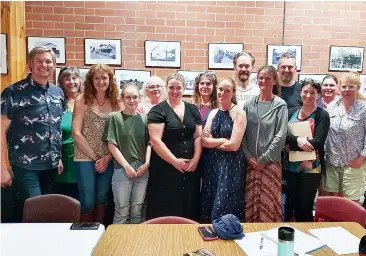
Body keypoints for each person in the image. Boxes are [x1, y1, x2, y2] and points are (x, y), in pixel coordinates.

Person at [1, 47, 65, 204]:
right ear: (30, 64)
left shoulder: (58, 93)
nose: (44, 64)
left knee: (46, 211)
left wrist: (58, 157)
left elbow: (55, 128)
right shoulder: (13, 92)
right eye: (39, 60)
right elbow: (1, 131)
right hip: (26, 166)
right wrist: (2, 169)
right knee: (36, 210)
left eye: (48, 61)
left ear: (54, 65)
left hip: (51, 165)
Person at [147, 73, 202, 221]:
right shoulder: (158, 110)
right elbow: (155, 140)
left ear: (184, 88)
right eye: (171, 87)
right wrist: (175, 162)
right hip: (165, 168)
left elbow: (197, 137)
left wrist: (196, 159)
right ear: (166, 88)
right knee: (167, 207)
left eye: (178, 87)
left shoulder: (192, 109)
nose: (175, 91)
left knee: (189, 206)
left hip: (190, 168)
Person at [72, 64, 121, 222]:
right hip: (85, 156)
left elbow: (120, 134)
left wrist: (107, 157)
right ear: (91, 80)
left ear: (110, 80)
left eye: (104, 78)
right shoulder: (82, 99)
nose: (101, 81)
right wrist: (96, 157)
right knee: (87, 200)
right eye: (97, 78)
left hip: (108, 157)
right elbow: (76, 133)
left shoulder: (116, 101)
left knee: (101, 197)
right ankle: (84, 237)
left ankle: (99, 234)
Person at [242, 65, 288, 222]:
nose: (264, 81)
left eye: (268, 78)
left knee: (268, 206)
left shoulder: (280, 105)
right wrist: (248, 157)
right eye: (261, 77)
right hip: (251, 165)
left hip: (270, 165)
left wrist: (264, 159)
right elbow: (242, 134)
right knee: (251, 204)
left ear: (274, 80)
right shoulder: (248, 105)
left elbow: (281, 136)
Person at [200, 78, 246, 222]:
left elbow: (234, 146)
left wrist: (213, 141)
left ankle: (227, 233)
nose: (223, 93)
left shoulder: (239, 113)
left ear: (233, 92)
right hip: (212, 163)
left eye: (227, 90)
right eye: (220, 89)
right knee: (211, 197)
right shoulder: (213, 113)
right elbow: (203, 141)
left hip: (231, 165)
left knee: (224, 201)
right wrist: (222, 141)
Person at [284, 79, 330, 222]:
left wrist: (292, 143)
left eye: (313, 93)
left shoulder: (322, 115)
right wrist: (297, 140)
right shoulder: (291, 112)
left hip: (311, 170)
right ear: (300, 92)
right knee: (293, 205)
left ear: (319, 95)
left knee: (305, 207)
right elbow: (283, 135)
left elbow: (318, 141)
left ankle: (306, 238)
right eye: (305, 92)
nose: (308, 96)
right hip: (290, 167)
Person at [104, 84, 151, 224]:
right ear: (122, 99)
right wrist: (126, 166)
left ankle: (134, 245)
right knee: (122, 211)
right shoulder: (114, 117)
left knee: (137, 210)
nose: (132, 101)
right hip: (122, 169)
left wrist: (147, 163)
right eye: (128, 97)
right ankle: (117, 244)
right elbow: (111, 144)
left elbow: (149, 143)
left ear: (140, 98)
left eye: (135, 97)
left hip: (142, 169)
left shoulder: (145, 119)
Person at [323, 72, 366, 203]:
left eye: (351, 86)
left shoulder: (364, 109)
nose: (347, 90)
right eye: (344, 86)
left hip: (353, 164)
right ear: (339, 88)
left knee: (351, 204)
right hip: (332, 163)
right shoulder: (331, 108)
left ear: (358, 87)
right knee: (332, 203)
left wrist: (362, 157)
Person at [53, 67, 82, 200]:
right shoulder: (56, 104)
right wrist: (57, 157)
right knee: (64, 201)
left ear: (80, 80)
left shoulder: (87, 102)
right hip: (63, 160)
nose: (71, 82)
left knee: (85, 201)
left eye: (74, 78)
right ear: (61, 82)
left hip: (85, 160)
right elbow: (51, 132)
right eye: (67, 78)